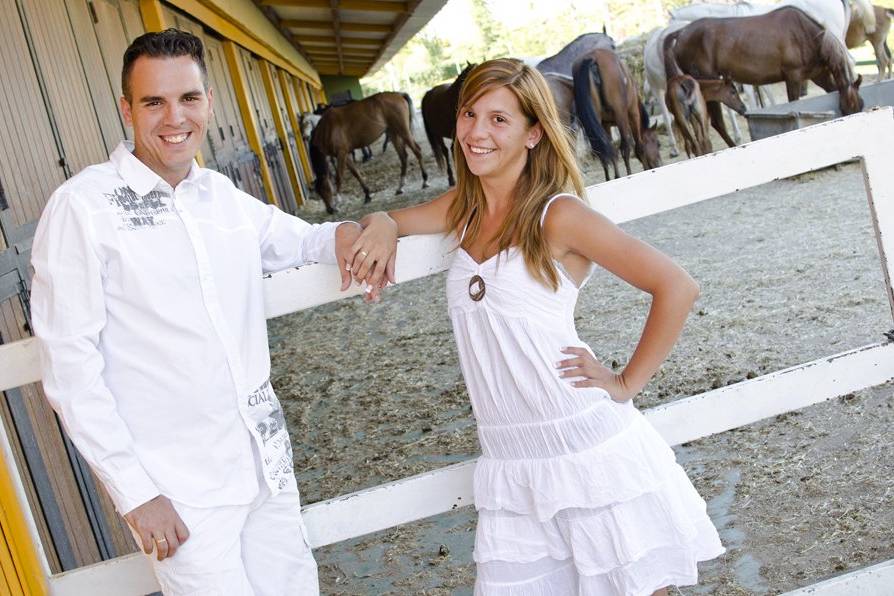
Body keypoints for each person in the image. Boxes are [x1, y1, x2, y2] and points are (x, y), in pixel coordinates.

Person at [29, 29, 390, 595]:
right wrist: (136, 493)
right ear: (127, 110)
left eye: (189, 99)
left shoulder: (219, 197)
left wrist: (375, 226)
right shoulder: (83, 208)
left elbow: (306, 241)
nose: (175, 118)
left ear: (209, 103)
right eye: (154, 102)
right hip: (180, 492)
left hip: (264, 468)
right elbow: (70, 367)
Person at [357, 59, 724, 595]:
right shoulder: (463, 208)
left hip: (582, 445)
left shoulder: (559, 215)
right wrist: (384, 224)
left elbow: (676, 286)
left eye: (498, 120)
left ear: (534, 133)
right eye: (469, 113)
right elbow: (390, 220)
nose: (476, 132)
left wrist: (625, 383)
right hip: (510, 461)